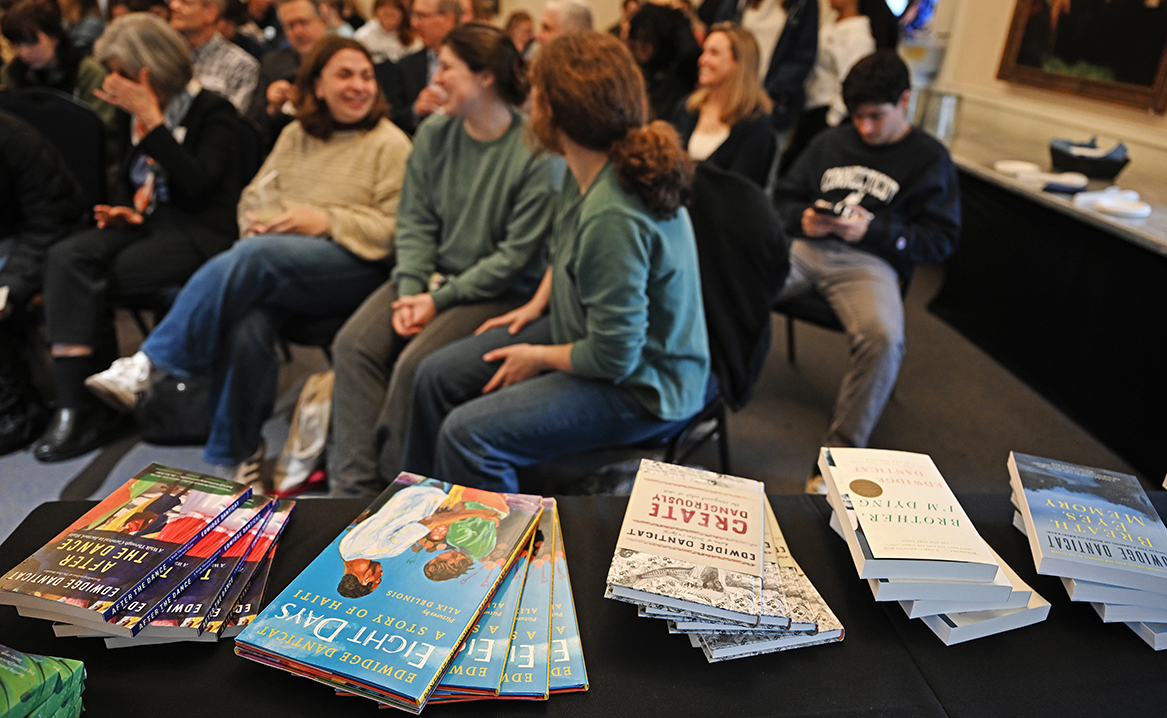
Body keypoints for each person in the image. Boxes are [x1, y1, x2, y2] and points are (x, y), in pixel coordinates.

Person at [85, 36, 412, 482]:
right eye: (345, 75)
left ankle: (151, 364)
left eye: (367, 76)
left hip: (355, 268)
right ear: (316, 85)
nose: (359, 86)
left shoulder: (390, 144)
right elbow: (254, 196)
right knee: (248, 322)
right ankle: (240, 455)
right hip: (281, 265)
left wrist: (325, 220)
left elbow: (399, 231)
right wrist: (263, 222)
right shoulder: (296, 135)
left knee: (254, 257)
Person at [400, 30, 710, 494]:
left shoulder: (614, 212)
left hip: (645, 385)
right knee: (434, 376)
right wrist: (537, 304)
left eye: (538, 92)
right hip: (587, 330)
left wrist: (536, 355)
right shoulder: (586, 163)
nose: (529, 102)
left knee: (468, 435)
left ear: (558, 111)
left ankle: (496, 558)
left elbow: (615, 355)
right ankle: (418, 507)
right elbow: (566, 247)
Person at [327, 23, 560, 500]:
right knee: (353, 344)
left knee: (416, 365)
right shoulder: (435, 133)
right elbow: (415, 221)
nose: (436, 79)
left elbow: (514, 258)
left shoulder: (535, 152)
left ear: (487, 77)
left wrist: (436, 300)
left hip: (497, 288)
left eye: (448, 67)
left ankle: (395, 493)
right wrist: (411, 287)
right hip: (431, 278)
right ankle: (350, 493)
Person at [33, 14, 241, 463]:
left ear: (149, 70)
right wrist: (131, 211)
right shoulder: (132, 118)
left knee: (88, 279)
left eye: (122, 73)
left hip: (202, 232)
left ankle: (90, 408)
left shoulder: (214, 112)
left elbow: (198, 184)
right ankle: (76, 404)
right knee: (68, 255)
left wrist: (153, 121)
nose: (113, 83)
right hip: (152, 224)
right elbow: (137, 182)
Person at [772, 50, 960, 492]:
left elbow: (940, 241)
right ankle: (702, 398)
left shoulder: (930, 159)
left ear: (906, 101)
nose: (865, 128)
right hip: (807, 247)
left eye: (876, 116)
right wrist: (801, 218)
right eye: (857, 117)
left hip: (870, 263)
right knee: (732, 288)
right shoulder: (829, 142)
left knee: (883, 337)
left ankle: (836, 462)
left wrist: (876, 231)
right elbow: (782, 198)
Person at [0, 111, 87, 456]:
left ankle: (16, 412)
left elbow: (51, 220)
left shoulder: (16, 140)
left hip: (34, 237)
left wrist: (10, 284)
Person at [669, 21, 774, 187]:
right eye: (704, 51)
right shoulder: (687, 108)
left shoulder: (754, 123)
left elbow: (742, 190)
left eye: (714, 53)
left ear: (739, 63)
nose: (703, 60)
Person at [0, 0, 116, 127]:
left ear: (55, 36)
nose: (24, 52)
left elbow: (101, 128)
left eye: (31, 42)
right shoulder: (11, 72)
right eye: (16, 44)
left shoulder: (87, 71)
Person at [715, 0, 818, 137]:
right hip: (729, 92)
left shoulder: (803, 4)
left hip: (771, 104)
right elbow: (721, 33)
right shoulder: (738, 3)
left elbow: (803, 56)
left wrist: (770, 93)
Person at [246, 0, 327, 145]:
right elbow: (254, 126)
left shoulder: (343, 60)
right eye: (290, 26)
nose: (298, 32)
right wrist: (272, 109)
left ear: (322, 21)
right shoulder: (272, 64)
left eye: (304, 22)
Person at [382, 0, 460, 135]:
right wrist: (415, 110)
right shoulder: (405, 66)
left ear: (448, 19)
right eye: (413, 15)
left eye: (422, 16)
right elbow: (388, 116)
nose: (414, 23)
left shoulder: (474, 64)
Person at [170, 0, 261, 113]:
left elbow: (229, 123)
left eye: (185, 3)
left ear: (210, 13)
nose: (173, 5)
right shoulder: (162, 56)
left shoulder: (240, 66)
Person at [627, 2, 700, 120]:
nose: (640, 46)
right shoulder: (635, 73)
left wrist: (677, 18)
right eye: (636, 38)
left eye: (647, 40)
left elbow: (691, 53)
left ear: (660, 40)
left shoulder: (679, 74)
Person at [353, 0, 419, 63]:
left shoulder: (412, 35)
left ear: (402, 15)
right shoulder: (363, 36)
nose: (389, 19)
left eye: (393, 15)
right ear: (376, 13)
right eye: (385, 14)